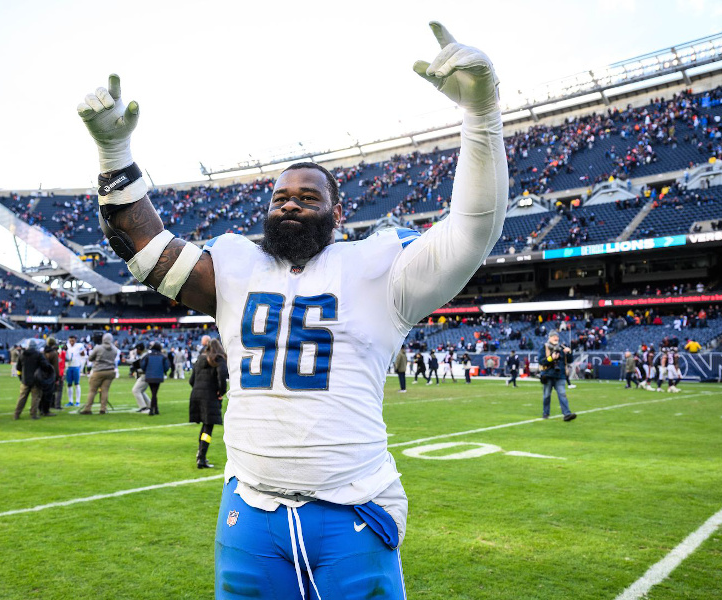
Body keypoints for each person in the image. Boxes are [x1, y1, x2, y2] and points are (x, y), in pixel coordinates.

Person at [76, 21, 506, 597]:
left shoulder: (380, 269)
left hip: (352, 505)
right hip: (250, 506)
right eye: (280, 197)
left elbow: (472, 232)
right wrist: (114, 154)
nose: (291, 205)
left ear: (336, 210)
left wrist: (482, 114)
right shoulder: (233, 267)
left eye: (309, 197)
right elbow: (144, 252)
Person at [189, 339, 229, 468]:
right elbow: (222, 378)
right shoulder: (219, 359)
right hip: (210, 396)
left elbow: (191, 380)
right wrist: (220, 392)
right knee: (208, 428)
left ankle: (200, 454)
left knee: (205, 426)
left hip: (196, 395)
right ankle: (201, 456)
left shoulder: (200, 358)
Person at [540, 332, 577, 422]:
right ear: (549, 337)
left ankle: (567, 414)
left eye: (557, 336)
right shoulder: (545, 347)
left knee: (562, 394)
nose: (556, 338)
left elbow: (570, 360)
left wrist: (569, 353)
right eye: (554, 336)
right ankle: (546, 413)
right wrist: (551, 358)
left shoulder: (562, 348)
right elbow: (541, 361)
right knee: (546, 396)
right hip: (548, 375)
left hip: (560, 375)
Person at [80, 333, 119, 414]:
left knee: (92, 390)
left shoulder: (98, 348)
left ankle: (88, 408)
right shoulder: (115, 349)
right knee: (105, 390)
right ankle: (103, 408)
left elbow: (90, 358)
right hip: (110, 371)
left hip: (98, 371)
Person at [14, 340, 48, 420]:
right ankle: (33, 414)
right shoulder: (38, 354)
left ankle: (16, 414)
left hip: (25, 379)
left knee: (22, 397)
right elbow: (45, 365)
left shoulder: (22, 354)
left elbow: (18, 367)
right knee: (35, 398)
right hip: (36, 379)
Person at [137, 342, 171, 416]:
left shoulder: (148, 356)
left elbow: (142, 365)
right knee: (154, 393)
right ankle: (154, 409)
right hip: (158, 376)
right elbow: (167, 366)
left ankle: (154, 409)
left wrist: (147, 370)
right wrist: (163, 371)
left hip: (149, 376)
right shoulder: (163, 356)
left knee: (153, 393)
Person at [63, 335, 87, 407]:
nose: (71, 342)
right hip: (69, 367)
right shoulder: (67, 346)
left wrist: (82, 351)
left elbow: (83, 354)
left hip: (76, 366)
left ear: (76, 340)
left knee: (76, 384)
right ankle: (70, 401)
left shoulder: (79, 346)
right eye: (70, 340)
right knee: (69, 384)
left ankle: (77, 401)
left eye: (73, 340)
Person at [39, 342, 60, 417]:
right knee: (49, 394)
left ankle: (40, 408)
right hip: (50, 375)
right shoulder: (54, 353)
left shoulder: (42, 352)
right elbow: (56, 366)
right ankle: (46, 411)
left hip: (41, 375)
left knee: (41, 393)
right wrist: (57, 377)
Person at [130, 343, 151, 412]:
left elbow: (141, 365)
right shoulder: (146, 354)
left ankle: (143, 407)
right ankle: (150, 405)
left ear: (139, 349)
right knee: (141, 391)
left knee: (135, 390)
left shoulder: (144, 356)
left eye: (137, 349)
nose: (136, 351)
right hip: (148, 374)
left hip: (145, 375)